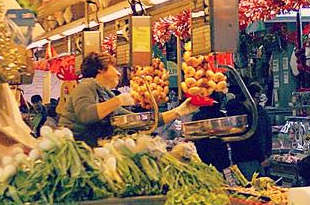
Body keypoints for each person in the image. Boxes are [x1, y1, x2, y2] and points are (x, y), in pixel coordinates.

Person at [59, 52, 196, 146]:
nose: (118, 73)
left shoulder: (105, 94)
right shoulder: (86, 86)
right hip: (73, 150)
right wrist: (118, 101)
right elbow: (86, 115)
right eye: (114, 67)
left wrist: (179, 111)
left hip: (92, 149)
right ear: (101, 69)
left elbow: (142, 122)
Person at [225, 82, 273, 180]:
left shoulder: (253, 112)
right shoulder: (242, 116)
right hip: (249, 160)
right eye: (257, 98)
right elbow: (250, 140)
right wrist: (262, 158)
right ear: (249, 97)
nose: (258, 102)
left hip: (252, 159)